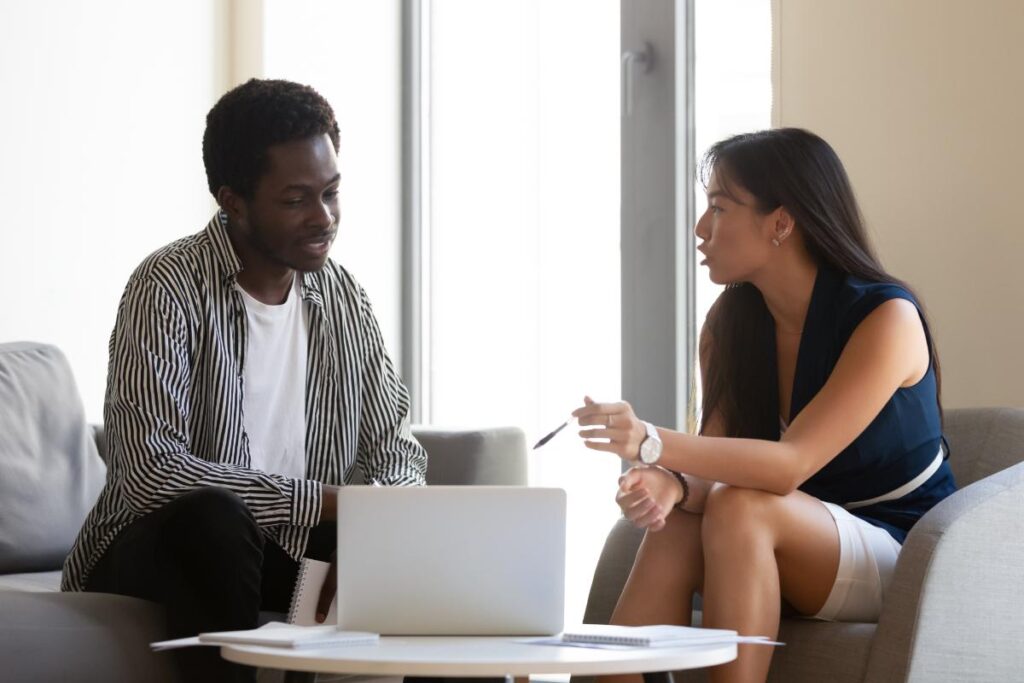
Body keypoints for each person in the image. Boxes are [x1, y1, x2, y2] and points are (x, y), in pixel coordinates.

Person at [61, 79, 427, 682]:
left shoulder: (343, 298)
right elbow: (151, 472)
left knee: (421, 559)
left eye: (332, 193)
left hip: (280, 547)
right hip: (154, 546)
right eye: (296, 200)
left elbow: (396, 445)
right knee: (218, 521)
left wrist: (381, 512)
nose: (324, 218)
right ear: (233, 201)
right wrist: (331, 503)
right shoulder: (167, 286)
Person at [573, 128, 957, 683]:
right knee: (682, 521)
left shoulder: (884, 319)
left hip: (898, 546)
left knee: (740, 505)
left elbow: (789, 465)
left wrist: (650, 442)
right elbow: (715, 461)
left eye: (719, 208)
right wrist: (673, 484)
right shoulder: (730, 325)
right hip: (779, 538)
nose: (701, 229)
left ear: (781, 222)